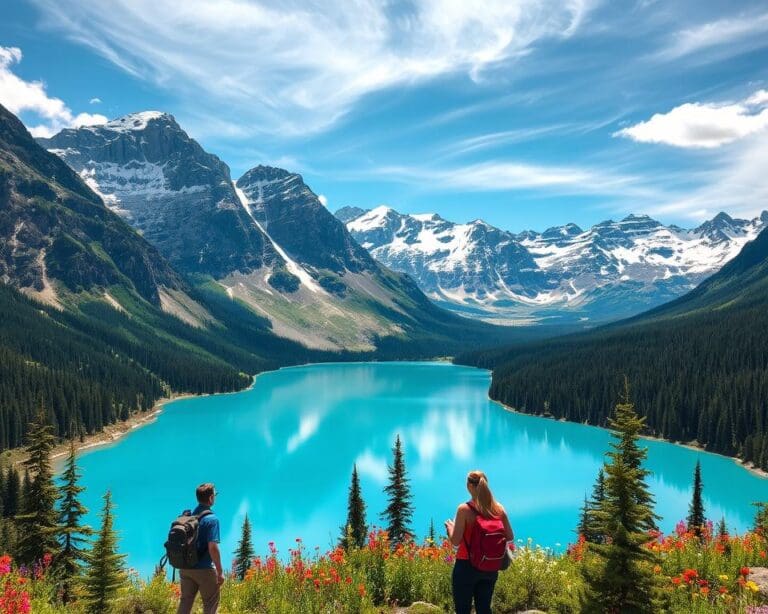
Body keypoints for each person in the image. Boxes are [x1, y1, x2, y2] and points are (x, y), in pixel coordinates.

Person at [445, 470, 514, 614]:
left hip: (466, 566)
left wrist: (450, 528)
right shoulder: (498, 509)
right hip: (490, 566)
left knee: (463, 610)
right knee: (484, 609)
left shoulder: (464, 509)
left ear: (469, 486)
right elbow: (509, 536)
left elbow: (456, 541)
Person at [177, 483, 224, 614]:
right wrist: (220, 572)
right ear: (210, 498)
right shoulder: (211, 519)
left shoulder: (187, 518)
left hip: (185, 568)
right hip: (204, 570)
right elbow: (213, 548)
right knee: (210, 603)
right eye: (214, 495)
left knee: (185, 602)